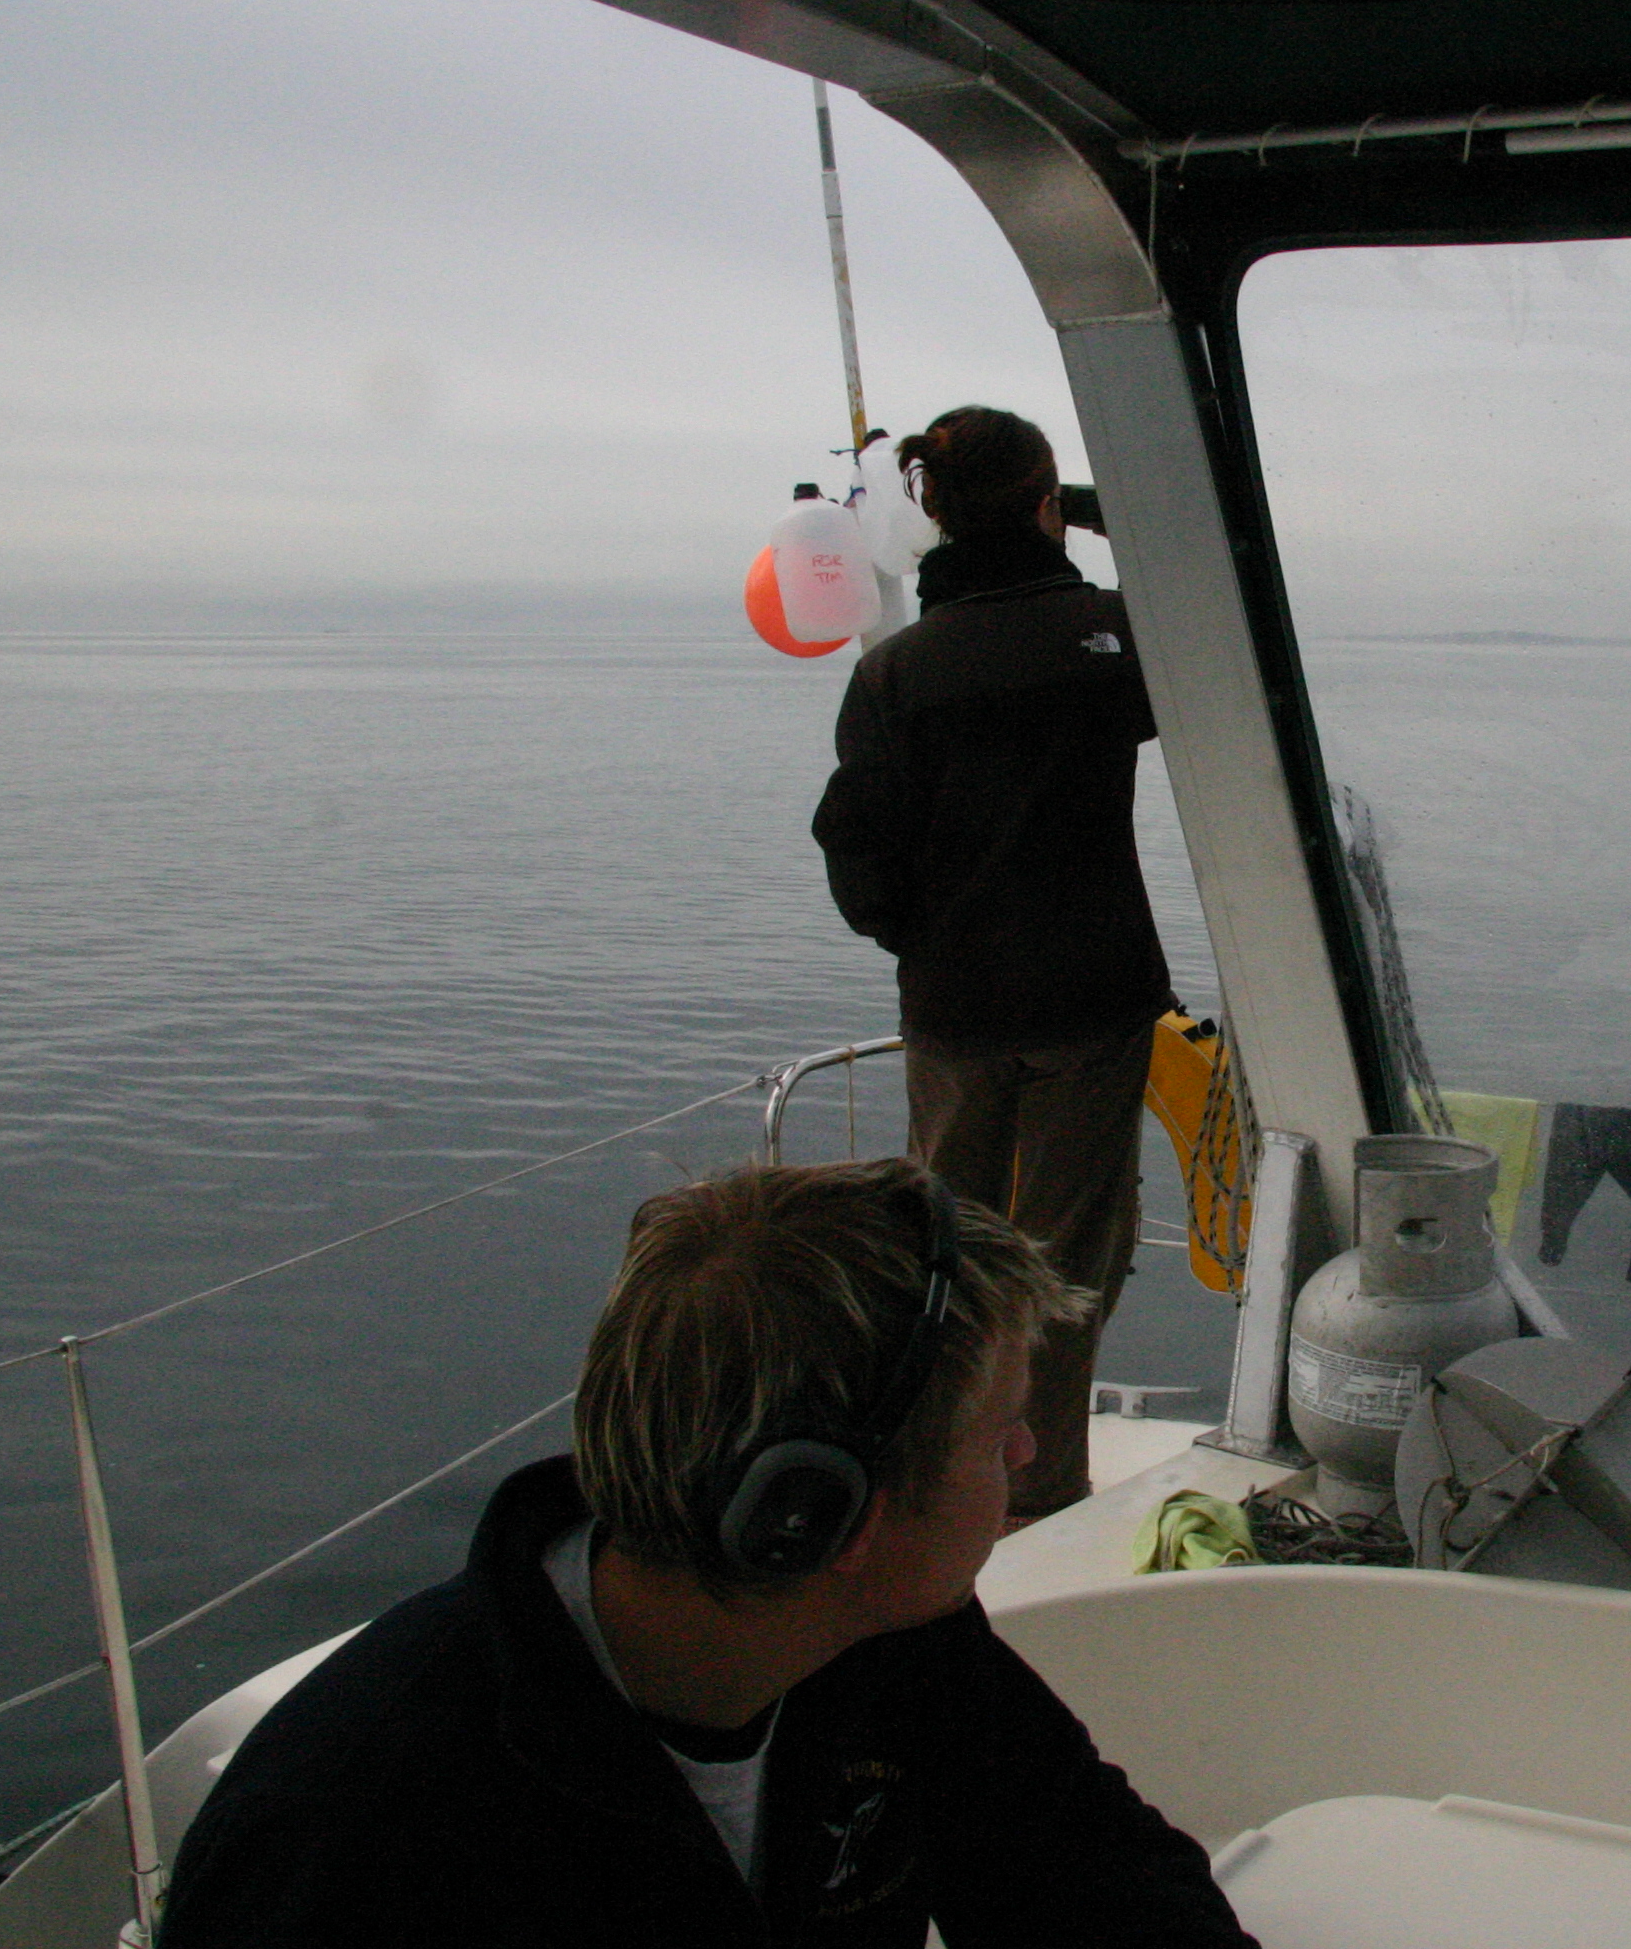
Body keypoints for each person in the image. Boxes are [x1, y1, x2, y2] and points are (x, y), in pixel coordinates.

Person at [162, 1160, 1253, 1949]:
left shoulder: (900, 1640)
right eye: (998, 1428)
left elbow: (1094, 1880)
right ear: (817, 1515)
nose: (1027, 1451)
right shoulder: (352, 1832)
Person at [811, 406, 1174, 1522]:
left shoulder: (897, 674)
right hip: (1092, 999)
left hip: (957, 1005)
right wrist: (1097, 513)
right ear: (1045, 502)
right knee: (1067, 1256)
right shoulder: (1109, 636)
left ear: (937, 516)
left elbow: (853, 846)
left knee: (947, 1256)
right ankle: (1040, 1489)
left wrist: (918, 935)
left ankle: (941, 1475)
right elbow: (1199, 607)